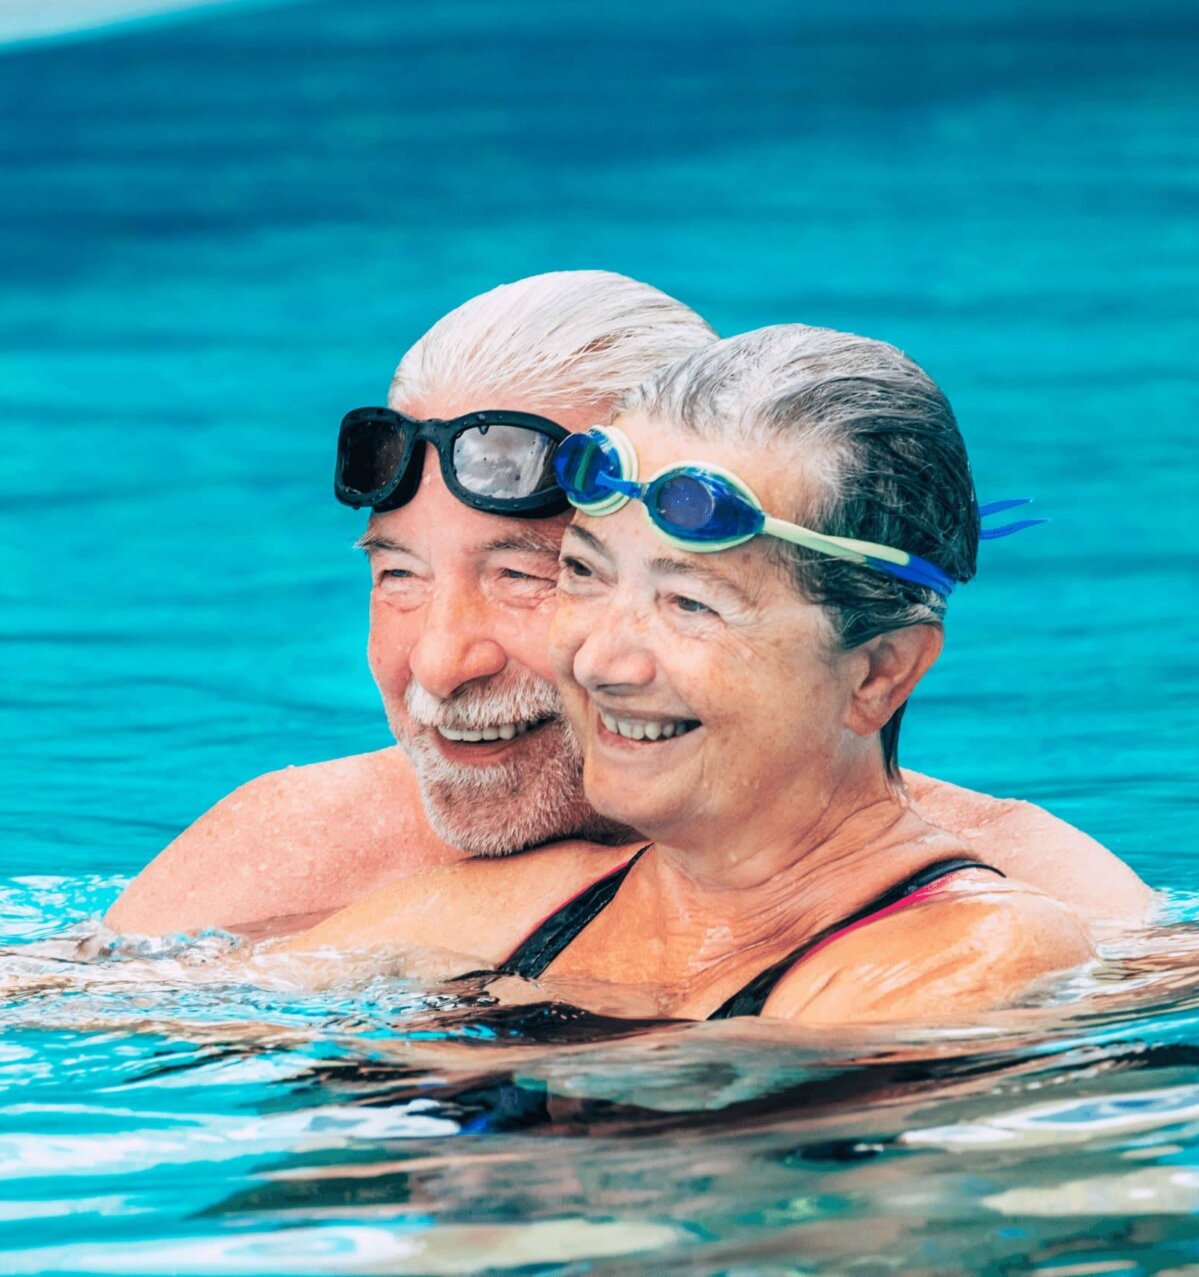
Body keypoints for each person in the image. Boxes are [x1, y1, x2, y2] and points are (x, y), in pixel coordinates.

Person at [107, 276, 1152, 938]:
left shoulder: (1012, 902)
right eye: (399, 576)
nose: (438, 663)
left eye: (531, 573)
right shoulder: (299, 849)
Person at [293, 326, 1118, 1023]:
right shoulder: (500, 911)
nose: (601, 660)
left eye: (691, 604)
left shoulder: (980, 955)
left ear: (878, 672)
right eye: (584, 573)